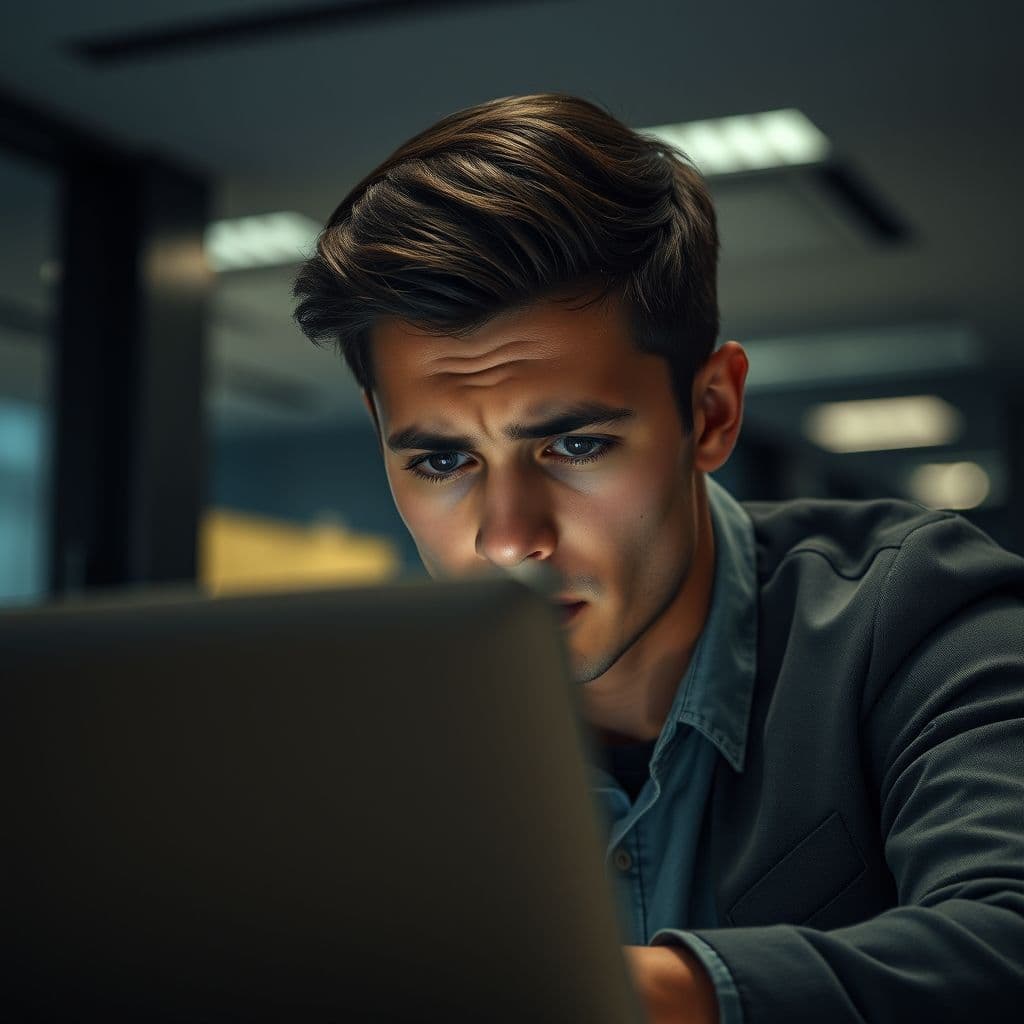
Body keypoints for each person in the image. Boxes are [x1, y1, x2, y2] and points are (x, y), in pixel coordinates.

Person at [291, 93, 1023, 1023]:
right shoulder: (366, 735)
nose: (510, 539)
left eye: (577, 446)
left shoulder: (921, 612)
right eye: (442, 460)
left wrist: (622, 998)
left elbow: (1008, 940)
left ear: (711, 412)